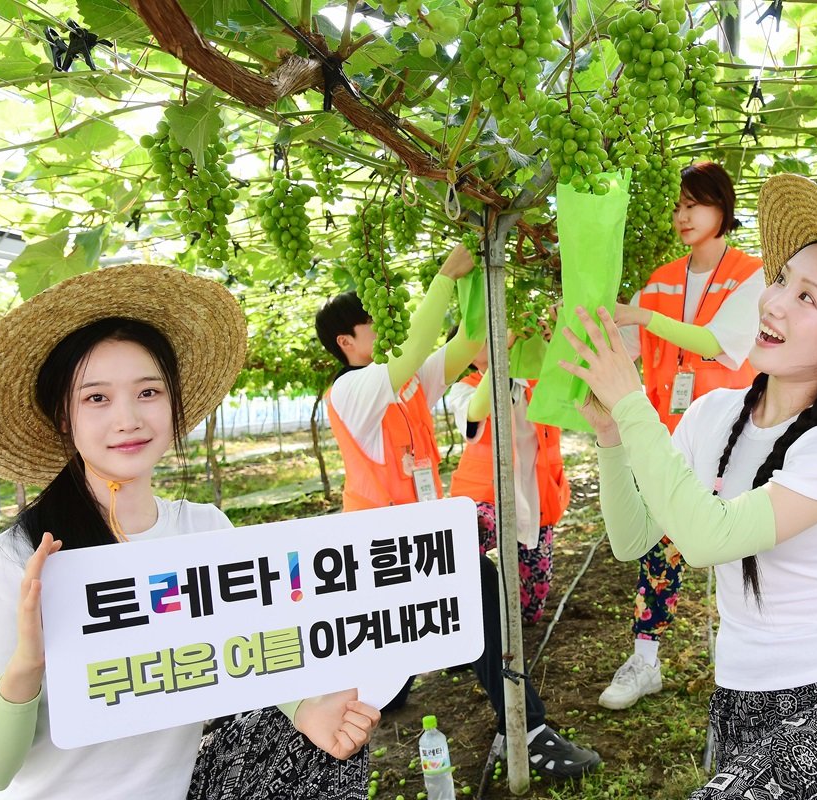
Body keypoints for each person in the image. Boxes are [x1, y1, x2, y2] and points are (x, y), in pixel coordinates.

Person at [0, 264, 380, 800]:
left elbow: (253, 651)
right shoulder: (14, 560)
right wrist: (28, 664)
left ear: (172, 401)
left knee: (327, 754)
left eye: (148, 392)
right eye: (96, 398)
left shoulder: (205, 531)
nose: (128, 419)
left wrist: (307, 711)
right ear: (63, 416)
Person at [558, 174, 817, 798]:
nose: (773, 302)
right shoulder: (712, 415)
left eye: (807, 297)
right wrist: (613, 435)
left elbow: (706, 539)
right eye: (781, 280)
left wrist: (633, 402)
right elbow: (634, 537)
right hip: (740, 699)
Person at [314, 246, 600, 780]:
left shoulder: (405, 385)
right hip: (380, 546)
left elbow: (466, 343)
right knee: (416, 638)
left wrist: (487, 285)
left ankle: (522, 727)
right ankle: (519, 728)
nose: (386, 328)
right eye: (372, 323)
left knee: (478, 598)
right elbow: (416, 347)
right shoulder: (353, 389)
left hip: (420, 540)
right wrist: (445, 275)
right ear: (345, 342)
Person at [602, 160, 764, 710]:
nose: (682, 216)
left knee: (743, 550)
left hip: (733, 438)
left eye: (694, 204)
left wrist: (641, 318)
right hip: (671, 436)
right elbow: (626, 347)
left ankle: (753, 660)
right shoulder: (660, 279)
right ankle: (644, 660)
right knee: (659, 544)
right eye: (677, 206)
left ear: (723, 208)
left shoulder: (752, 275)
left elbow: (718, 343)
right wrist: (590, 330)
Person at [447, 335, 569, 625]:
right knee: (469, 538)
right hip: (487, 498)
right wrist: (503, 356)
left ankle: (509, 622)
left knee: (531, 607)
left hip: (536, 497)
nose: (489, 339)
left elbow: (573, 388)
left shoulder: (537, 383)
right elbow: (475, 415)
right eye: (477, 339)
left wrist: (553, 343)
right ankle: (467, 617)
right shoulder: (465, 390)